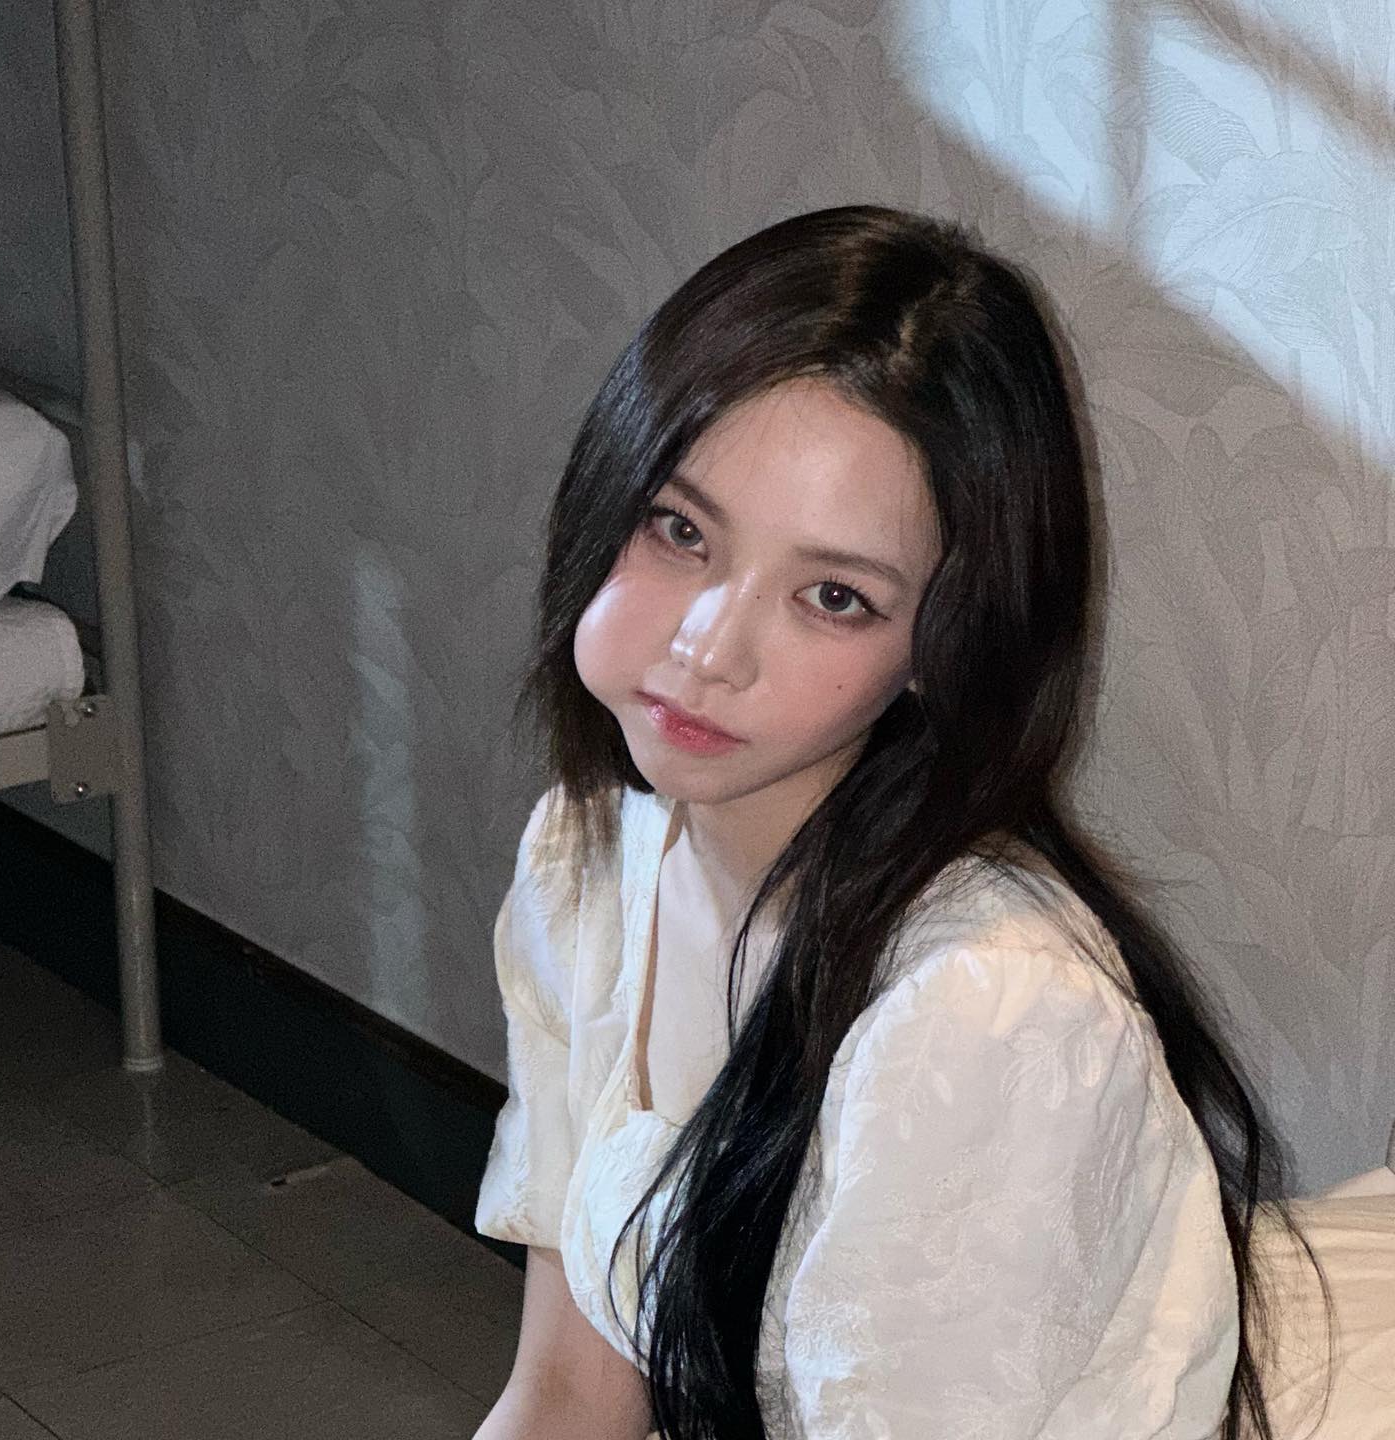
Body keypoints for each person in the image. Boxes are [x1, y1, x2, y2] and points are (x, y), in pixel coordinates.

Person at [471, 205, 1329, 1440]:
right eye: (681, 530)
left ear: (942, 647)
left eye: (833, 596)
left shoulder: (980, 1014)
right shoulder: (589, 864)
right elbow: (570, 1391)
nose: (710, 650)